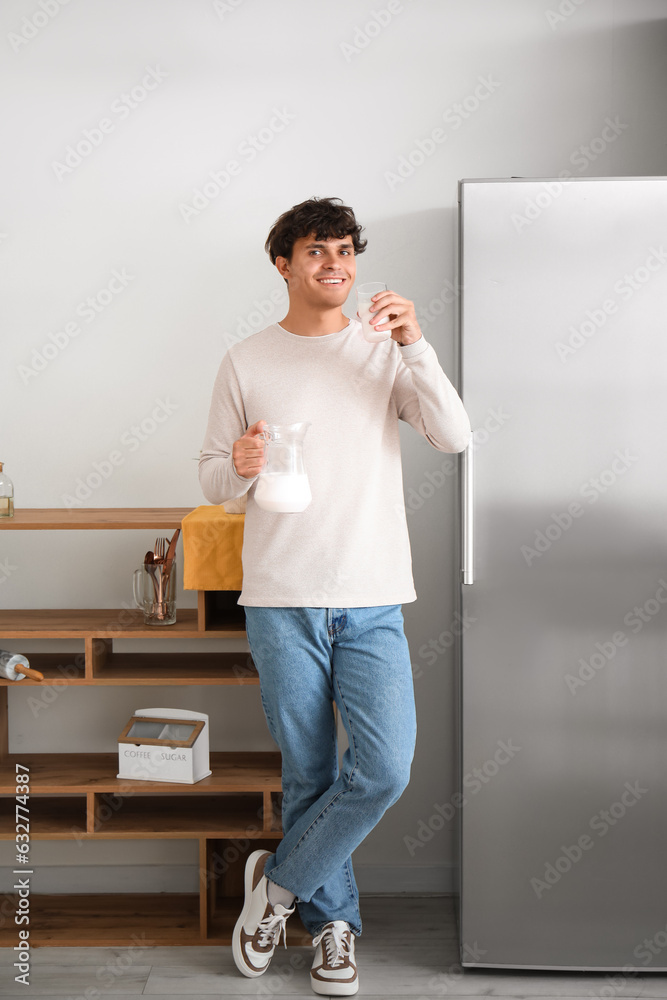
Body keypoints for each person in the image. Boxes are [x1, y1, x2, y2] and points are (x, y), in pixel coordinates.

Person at [198, 196, 471, 996]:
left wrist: (415, 344)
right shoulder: (246, 361)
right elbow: (214, 483)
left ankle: (275, 888)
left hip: (372, 594)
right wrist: (242, 463)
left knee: (383, 769)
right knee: (311, 772)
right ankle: (335, 930)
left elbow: (454, 437)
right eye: (317, 251)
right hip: (281, 596)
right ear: (282, 263)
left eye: (346, 252)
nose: (336, 266)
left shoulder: (383, 350)